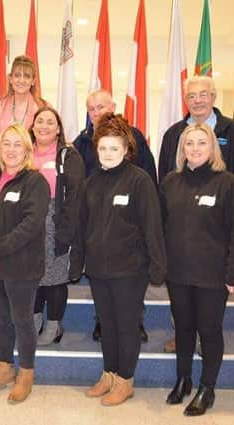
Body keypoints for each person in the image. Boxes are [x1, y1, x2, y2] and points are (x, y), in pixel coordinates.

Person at [158, 75, 234, 353]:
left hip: (216, 233)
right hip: (181, 234)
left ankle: (205, 337)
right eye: (191, 96)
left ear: (213, 97)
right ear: (185, 100)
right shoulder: (174, 133)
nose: (197, 100)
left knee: (209, 313)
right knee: (183, 303)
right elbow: (165, 178)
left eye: (203, 94)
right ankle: (184, 334)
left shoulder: (232, 131)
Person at [160, 123, 234, 416]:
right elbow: (161, 227)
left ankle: (207, 388)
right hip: (178, 273)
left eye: (201, 143)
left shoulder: (227, 183)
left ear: (212, 148)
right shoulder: (171, 182)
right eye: (189, 143)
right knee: (183, 328)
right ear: (182, 149)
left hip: (213, 275)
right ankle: (183, 379)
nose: (195, 148)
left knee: (209, 331)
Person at [78, 113, 166, 407]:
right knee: (106, 323)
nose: (108, 154)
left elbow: (152, 225)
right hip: (99, 268)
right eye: (103, 148)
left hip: (130, 269)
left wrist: (157, 266)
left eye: (114, 148)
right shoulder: (92, 182)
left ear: (126, 149)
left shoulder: (139, 180)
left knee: (127, 325)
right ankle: (109, 373)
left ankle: (125, 380)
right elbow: (85, 225)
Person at [0, 124, 50, 404]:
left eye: (18, 144)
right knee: (0, 318)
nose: (12, 149)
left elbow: (31, 224)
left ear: (27, 149)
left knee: (22, 319)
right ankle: (4, 368)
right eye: (7, 144)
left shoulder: (35, 181)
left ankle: (26, 374)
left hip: (21, 264)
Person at [72, 89, 155, 343]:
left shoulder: (134, 137)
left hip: (128, 222)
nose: (97, 113)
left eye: (101, 107)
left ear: (113, 106)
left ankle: (134, 321)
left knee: (130, 284)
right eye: (92, 109)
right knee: (101, 281)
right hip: (97, 222)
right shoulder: (81, 142)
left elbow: (148, 175)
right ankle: (102, 321)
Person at [29, 107, 85, 345]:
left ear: (59, 129)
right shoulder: (23, 152)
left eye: (50, 122)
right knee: (31, 275)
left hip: (56, 222)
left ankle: (54, 324)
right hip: (28, 221)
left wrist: (67, 229)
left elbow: (75, 195)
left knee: (55, 277)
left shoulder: (67, 156)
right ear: (32, 126)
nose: (44, 126)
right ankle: (34, 319)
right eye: (39, 121)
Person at [0, 55, 47, 139]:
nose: (21, 80)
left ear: (33, 81)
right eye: (17, 75)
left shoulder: (43, 107)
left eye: (27, 76)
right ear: (10, 79)